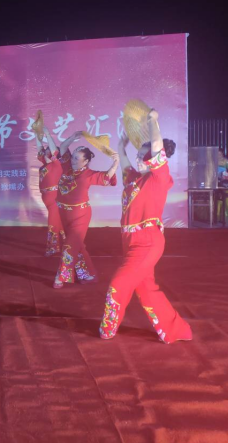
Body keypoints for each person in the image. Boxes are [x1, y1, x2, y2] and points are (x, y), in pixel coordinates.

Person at [100, 110, 192, 344]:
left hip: (147, 242)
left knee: (118, 284)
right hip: (130, 242)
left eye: (144, 156)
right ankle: (177, 330)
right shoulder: (133, 178)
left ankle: (108, 329)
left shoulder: (158, 178)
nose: (139, 159)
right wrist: (121, 145)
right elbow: (124, 159)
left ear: (153, 159)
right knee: (146, 289)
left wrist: (153, 121)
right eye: (138, 155)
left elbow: (158, 148)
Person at [54, 131, 119, 288]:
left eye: (77, 158)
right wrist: (72, 137)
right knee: (78, 245)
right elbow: (63, 147)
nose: (73, 160)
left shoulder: (89, 174)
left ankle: (60, 276)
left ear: (86, 161)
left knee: (70, 245)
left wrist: (116, 162)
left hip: (80, 216)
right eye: (73, 156)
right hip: (64, 213)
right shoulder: (67, 166)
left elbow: (107, 177)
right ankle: (88, 274)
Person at [35, 126, 65, 256]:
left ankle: (53, 247)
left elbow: (54, 151)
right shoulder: (45, 164)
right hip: (46, 198)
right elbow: (39, 148)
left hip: (55, 199)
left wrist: (47, 134)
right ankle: (68, 239)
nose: (46, 150)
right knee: (58, 221)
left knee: (52, 223)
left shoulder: (57, 164)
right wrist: (37, 134)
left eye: (49, 149)